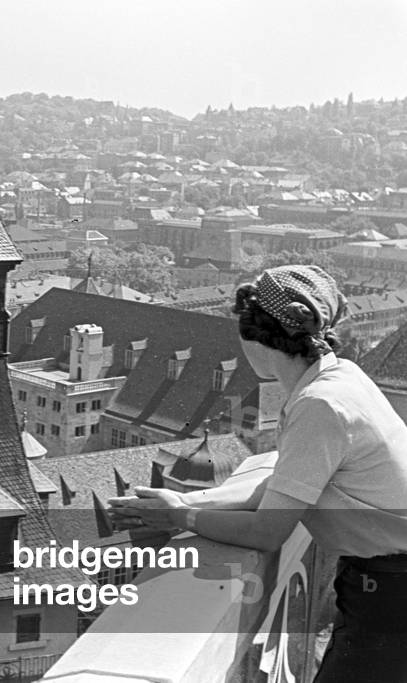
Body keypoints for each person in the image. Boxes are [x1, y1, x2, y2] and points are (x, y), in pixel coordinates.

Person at [109, 265, 407, 683]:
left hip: (391, 589)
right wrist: (187, 501)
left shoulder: (319, 404)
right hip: (383, 581)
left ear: (254, 335)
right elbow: (282, 487)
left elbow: (268, 532)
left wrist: (181, 519)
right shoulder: (341, 376)